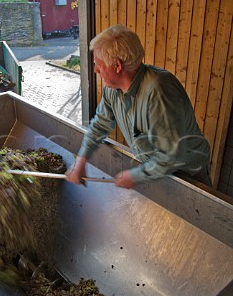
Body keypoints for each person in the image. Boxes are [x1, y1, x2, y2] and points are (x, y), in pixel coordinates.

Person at [66, 24, 212, 189]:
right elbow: (99, 126)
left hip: (188, 173)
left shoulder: (159, 91)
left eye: (98, 65)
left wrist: (135, 176)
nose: (95, 70)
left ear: (117, 66)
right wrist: (80, 162)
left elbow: (171, 156)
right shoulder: (111, 90)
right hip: (157, 169)